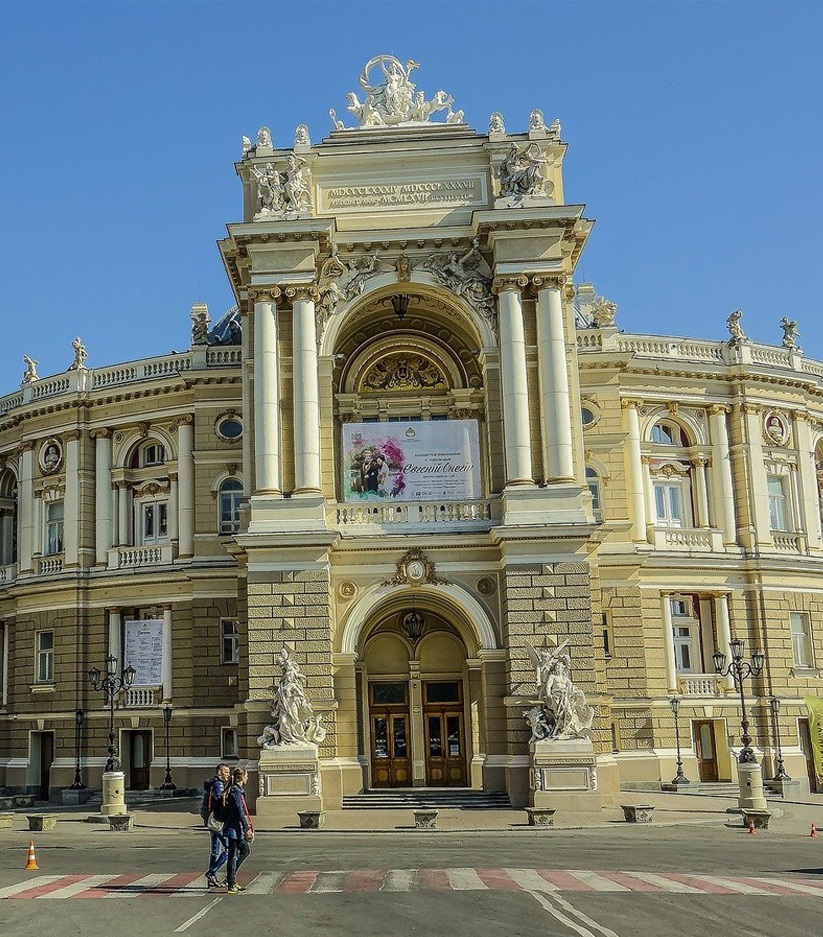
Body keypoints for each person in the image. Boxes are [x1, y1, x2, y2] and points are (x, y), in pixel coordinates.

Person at [223, 767, 254, 894]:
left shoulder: (236, 790)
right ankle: (230, 884)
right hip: (234, 828)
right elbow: (240, 812)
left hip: (235, 827)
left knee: (244, 851)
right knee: (233, 855)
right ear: (242, 777)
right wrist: (247, 828)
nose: (247, 778)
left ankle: (230, 879)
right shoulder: (236, 791)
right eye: (246, 775)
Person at [201, 762, 230, 888]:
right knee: (229, 848)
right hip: (217, 820)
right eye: (226, 772)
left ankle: (211, 879)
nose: (228, 775)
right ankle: (212, 872)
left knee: (215, 850)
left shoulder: (213, 783)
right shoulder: (218, 784)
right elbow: (219, 800)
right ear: (220, 772)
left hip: (211, 819)